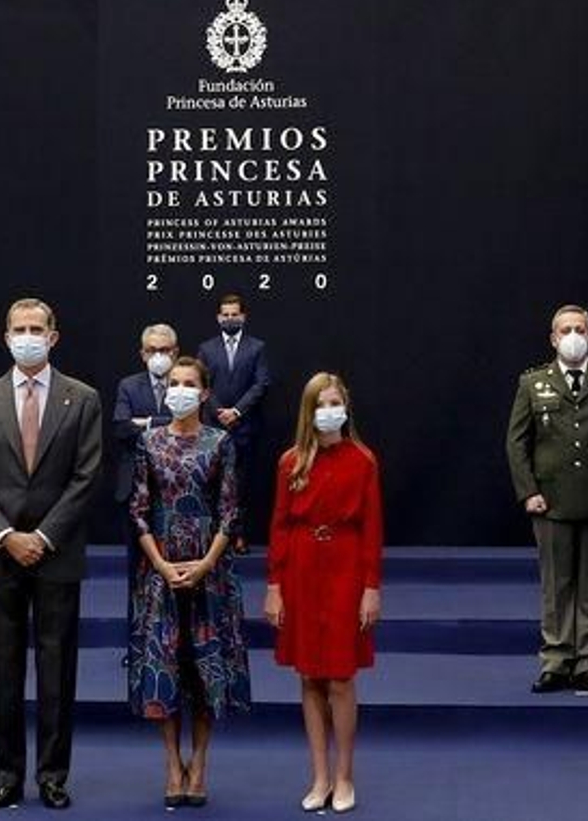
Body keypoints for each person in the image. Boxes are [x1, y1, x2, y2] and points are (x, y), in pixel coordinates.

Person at [0, 297, 102, 811]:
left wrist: (43, 536)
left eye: (37, 329)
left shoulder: (83, 398)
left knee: (58, 671)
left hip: (56, 554)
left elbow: (86, 477)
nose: (28, 337)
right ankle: (7, 775)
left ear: (53, 337)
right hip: (0, 555)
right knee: (3, 671)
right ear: (6, 337)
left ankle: (53, 775)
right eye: (19, 329)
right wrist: (6, 535)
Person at [127, 355, 249, 809]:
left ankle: (198, 764)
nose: (179, 390)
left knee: (203, 670)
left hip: (209, 569)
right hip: (160, 568)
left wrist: (207, 563)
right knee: (166, 666)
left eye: (188, 383)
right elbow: (139, 509)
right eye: (173, 383)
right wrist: (160, 564)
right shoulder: (150, 442)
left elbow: (230, 511)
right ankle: (171, 764)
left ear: (204, 392)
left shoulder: (221, 442)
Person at [265, 372, 383, 814]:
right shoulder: (290, 462)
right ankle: (319, 775)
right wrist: (274, 585)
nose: (329, 411)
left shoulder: (363, 460)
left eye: (335, 403)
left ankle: (344, 774)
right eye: (321, 404)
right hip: (302, 568)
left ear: (346, 408)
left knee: (340, 676)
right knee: (309, 676)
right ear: (308, 411)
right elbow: (279, 526)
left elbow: (372, 529)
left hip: (346, 567)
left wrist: (370, 588)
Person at [506, 304, 588, 696]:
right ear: (553, 338)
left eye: (580, 329)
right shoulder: (533, 382)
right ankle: (556, 661)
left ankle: (587, 664)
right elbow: (517, 442)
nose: (573, 336)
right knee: (556, 586)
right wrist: (529, 491)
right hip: (551, 501)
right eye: (566, 330)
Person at [112, 323, 178, 665]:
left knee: (176, 570)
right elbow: (122, 428)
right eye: (152, 350)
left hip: (177, 492)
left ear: (175, 352)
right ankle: (136, 647)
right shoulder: (129, 385)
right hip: (135, 491)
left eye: (165, 350)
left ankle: (173, 647)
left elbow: (191, 424)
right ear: (142, 353)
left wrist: (146, 422)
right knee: (136, 573)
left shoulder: (186, 382)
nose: (159, 356)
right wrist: (164, 422)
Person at [196, 294, 270, 554]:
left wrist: (237, 411)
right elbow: (201, 383)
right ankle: (215, 535)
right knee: (212, 482)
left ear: (243, 316)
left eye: (234, 314)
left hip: (244, 426)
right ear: (218, 318)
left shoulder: (257, 347)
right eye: (225, 315)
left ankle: (239, 534)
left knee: (242, 484)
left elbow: (261, 383)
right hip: (213, 426)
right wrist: (219, 412)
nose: (229, 319)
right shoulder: (206, 349)